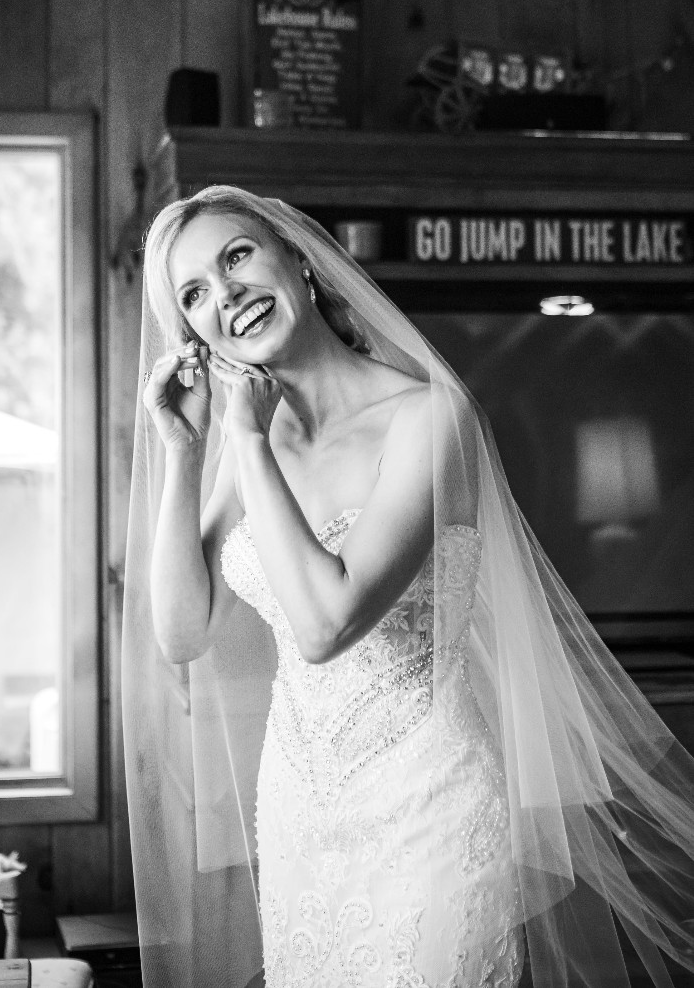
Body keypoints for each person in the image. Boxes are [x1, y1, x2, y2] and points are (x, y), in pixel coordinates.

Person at [122, 186, 694, 988]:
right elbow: (182, 633)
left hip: (430, 810)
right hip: (299, 811)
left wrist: (242, 436)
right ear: (193, 334)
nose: (228, 295)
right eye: (195, 293)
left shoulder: (427, 418)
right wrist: (185, 452)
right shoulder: (250, 443)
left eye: (238, 256)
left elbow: (326, 625)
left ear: (299, 261)